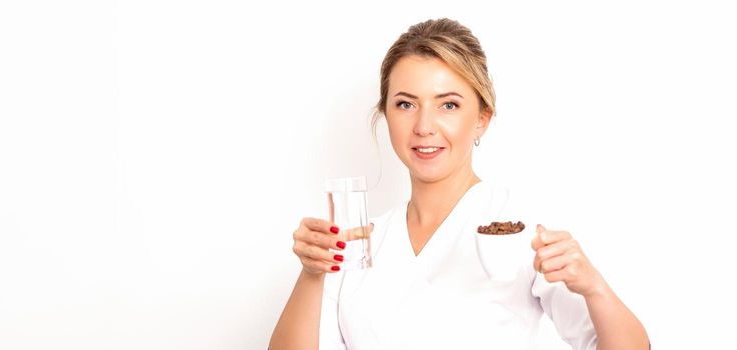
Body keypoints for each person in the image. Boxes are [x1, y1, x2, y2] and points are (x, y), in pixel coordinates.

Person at [269, 18, 649, 349]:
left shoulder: (521, 233)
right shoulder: (358, 244)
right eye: (405, 104)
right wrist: (312, 273)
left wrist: (593, 285)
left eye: (448, 104)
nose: (424, 126)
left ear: (482, 117)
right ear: (385, 114)